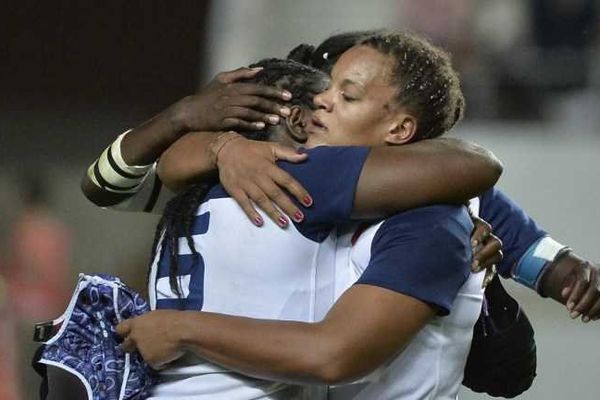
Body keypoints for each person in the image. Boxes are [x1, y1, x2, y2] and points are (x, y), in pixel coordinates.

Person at [84, 35, 502, 399]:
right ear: (297, 121)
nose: (325, 101)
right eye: (327, 89)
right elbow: (475, 164)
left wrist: (197, 130)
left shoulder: (199, 188)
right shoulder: (306, 179)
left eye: (347, 94)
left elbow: (108, 184)